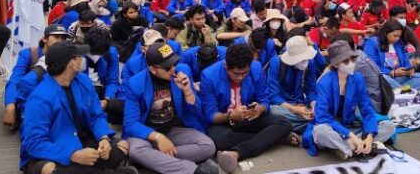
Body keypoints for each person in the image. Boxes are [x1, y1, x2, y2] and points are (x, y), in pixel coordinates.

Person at [21, 42, 135, 174]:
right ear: (71, 63)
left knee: (123, 145)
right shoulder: (39, 98)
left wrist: (103, 137)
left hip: (83, 142)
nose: (83, 58)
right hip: (54, 151)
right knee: (49, 169)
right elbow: (34, 143)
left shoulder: (83, 80)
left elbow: (96, 115)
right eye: (79, 56)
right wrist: (72, 155)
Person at [121, 42, 221, 174]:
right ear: (153, 69)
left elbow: (195, 110)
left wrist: (188, 92)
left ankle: (152, 160)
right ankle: (193, 170)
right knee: (136, 150)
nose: (173, 69)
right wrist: (158, 137)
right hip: (146, 133)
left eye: (174, 63)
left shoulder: (183, 71)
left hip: (172, 128)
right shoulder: (135, 83)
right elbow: (130, 123)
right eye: (167, 67)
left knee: (208, 146)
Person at [200, 44, 292, 171]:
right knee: (219, 141)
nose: (240, 77)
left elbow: (264, 99)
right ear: (226, 66)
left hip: (248, 117)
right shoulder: (209, 75)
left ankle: (237, 153)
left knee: (284, 122)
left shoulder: (256, 67)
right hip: (224, 121)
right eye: (236, 73)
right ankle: (276, 138)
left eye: (245, 73)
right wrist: (230, 115)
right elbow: (210, 115)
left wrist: (260, 109)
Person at [303, 40, 396, 159]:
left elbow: (367, 111)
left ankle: (350, 147)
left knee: (389, 126)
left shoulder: (358, 79)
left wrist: (370, 136)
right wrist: (350, 135)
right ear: (336, 64)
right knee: (320, 131)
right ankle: (358, 147)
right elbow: (323, 118)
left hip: (350, 125)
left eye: (353, 59)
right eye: (346, 61)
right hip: (332, 127)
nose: (351, 63)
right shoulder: (325, 82)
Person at [3, 24, 69, 129]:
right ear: (44, 39)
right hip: (27, 97)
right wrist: (10, 106)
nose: (60, 41)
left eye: (63, 38)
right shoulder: (28, 54)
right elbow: (15, 79)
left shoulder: (65, 56)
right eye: (56, 37)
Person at [267, 36, 318, 135]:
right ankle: (312, 125)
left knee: (322, 109)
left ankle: (286, 127)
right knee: (273, 111)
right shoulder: (277, 62)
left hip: (301, 103)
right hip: (282, 105)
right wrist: (295, 110)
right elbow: (274, 96)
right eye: (301, 59)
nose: (305, 61)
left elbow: (311, 89)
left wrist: (313, 106)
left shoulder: (310, 62)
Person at [363, 19, 420, 91]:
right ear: (386, 32)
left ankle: (397, 92)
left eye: (399, 36)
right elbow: (371, 67)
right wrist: (392, 73)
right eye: (395, 35)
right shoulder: (372, 43)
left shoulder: (399, 44)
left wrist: (409, 68)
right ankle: (403, 92)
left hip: (396, 79)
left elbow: (405, 60)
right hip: (382, 78)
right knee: (384, 78)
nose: (397, 38)